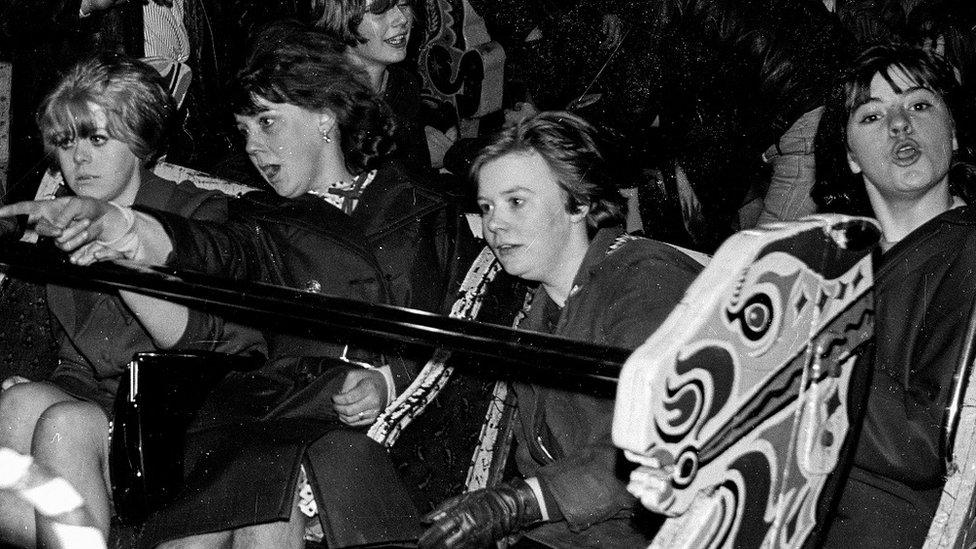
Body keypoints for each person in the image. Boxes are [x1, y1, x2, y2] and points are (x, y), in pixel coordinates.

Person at [1, 24, 457, 548]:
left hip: (334, 420)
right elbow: (215, 251)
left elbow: (450, 323)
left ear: (326, 116)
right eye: (244, 131)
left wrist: (386, 381)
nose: (255, 148)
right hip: (262, 414)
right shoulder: (258, 218)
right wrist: (126, 230)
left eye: (267, 122)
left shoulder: (419, 207)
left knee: (255, 494)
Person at [0, 54, 259, 548]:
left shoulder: (198, 214)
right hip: (87, 403)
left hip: (172, 420)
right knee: (16, 403)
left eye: (97, 139)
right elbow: (60, 351)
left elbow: (201, 343)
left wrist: (120, 261)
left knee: (62, 423)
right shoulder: (57, 219)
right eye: (65, 142)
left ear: (139, 140)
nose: (78, 160)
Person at [419, 111, 702, 548]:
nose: (494, 224)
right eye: (486, 206)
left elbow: (657, 442)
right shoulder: (531, 298)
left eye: (516, 201)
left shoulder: (643, 280)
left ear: (579, 203)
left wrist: (515, 504)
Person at [808, 43, 976, 547]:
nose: (901, 124)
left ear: (952, 131)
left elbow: (922, 441)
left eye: (920, 105)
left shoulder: (965, 248)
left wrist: (805, 357)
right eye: (873, 114)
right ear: (850, 157)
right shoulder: (838, 261)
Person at [312, 0, 432, 174]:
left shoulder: (404, 84)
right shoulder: (320, 101)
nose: (402, 19)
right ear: (339, 17)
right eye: (379, 10)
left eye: (404, 4)